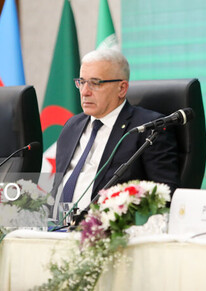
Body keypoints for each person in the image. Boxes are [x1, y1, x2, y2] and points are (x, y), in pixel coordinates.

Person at [50, 49, 180, 211]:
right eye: (82, 82)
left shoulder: (148, 128)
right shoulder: (72, 125)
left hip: (105, 230)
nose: (85, 92)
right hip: (56, 226)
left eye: (95, 83)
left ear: (121, 88)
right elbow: (57, 184)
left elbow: (166, 195)